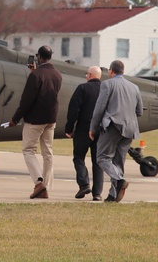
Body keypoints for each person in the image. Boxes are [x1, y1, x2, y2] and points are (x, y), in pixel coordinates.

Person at [9, 45, 63, 199]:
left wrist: (15, 118)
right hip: (51, 118)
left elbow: (27, 100)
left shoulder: (36, 76)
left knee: (28, 150)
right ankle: (46, 185)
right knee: (48, 152)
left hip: (35, 120)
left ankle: (38, 182)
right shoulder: (57, 74)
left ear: (39, 57)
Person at [90, 60, 143, 202]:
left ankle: (119, 181)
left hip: (113, 125)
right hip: (130, 127)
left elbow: (99, 108)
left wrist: (93, 127)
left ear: (111, 71)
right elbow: (139, 111)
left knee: (102, 158)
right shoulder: (134, 87)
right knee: (119, 161)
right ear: (123, 71)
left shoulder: (107, 84)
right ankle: (113, 195)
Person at [65, 65, 104, 201]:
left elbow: (73, 110)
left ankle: (84, 184)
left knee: (78, 157)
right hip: (101, 130)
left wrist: (69, 128)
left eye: (87, 74)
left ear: (90, 75)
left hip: (83, 129)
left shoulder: (82, 88)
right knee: (98, 161)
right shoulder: (106, 90)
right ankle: (97, 193)